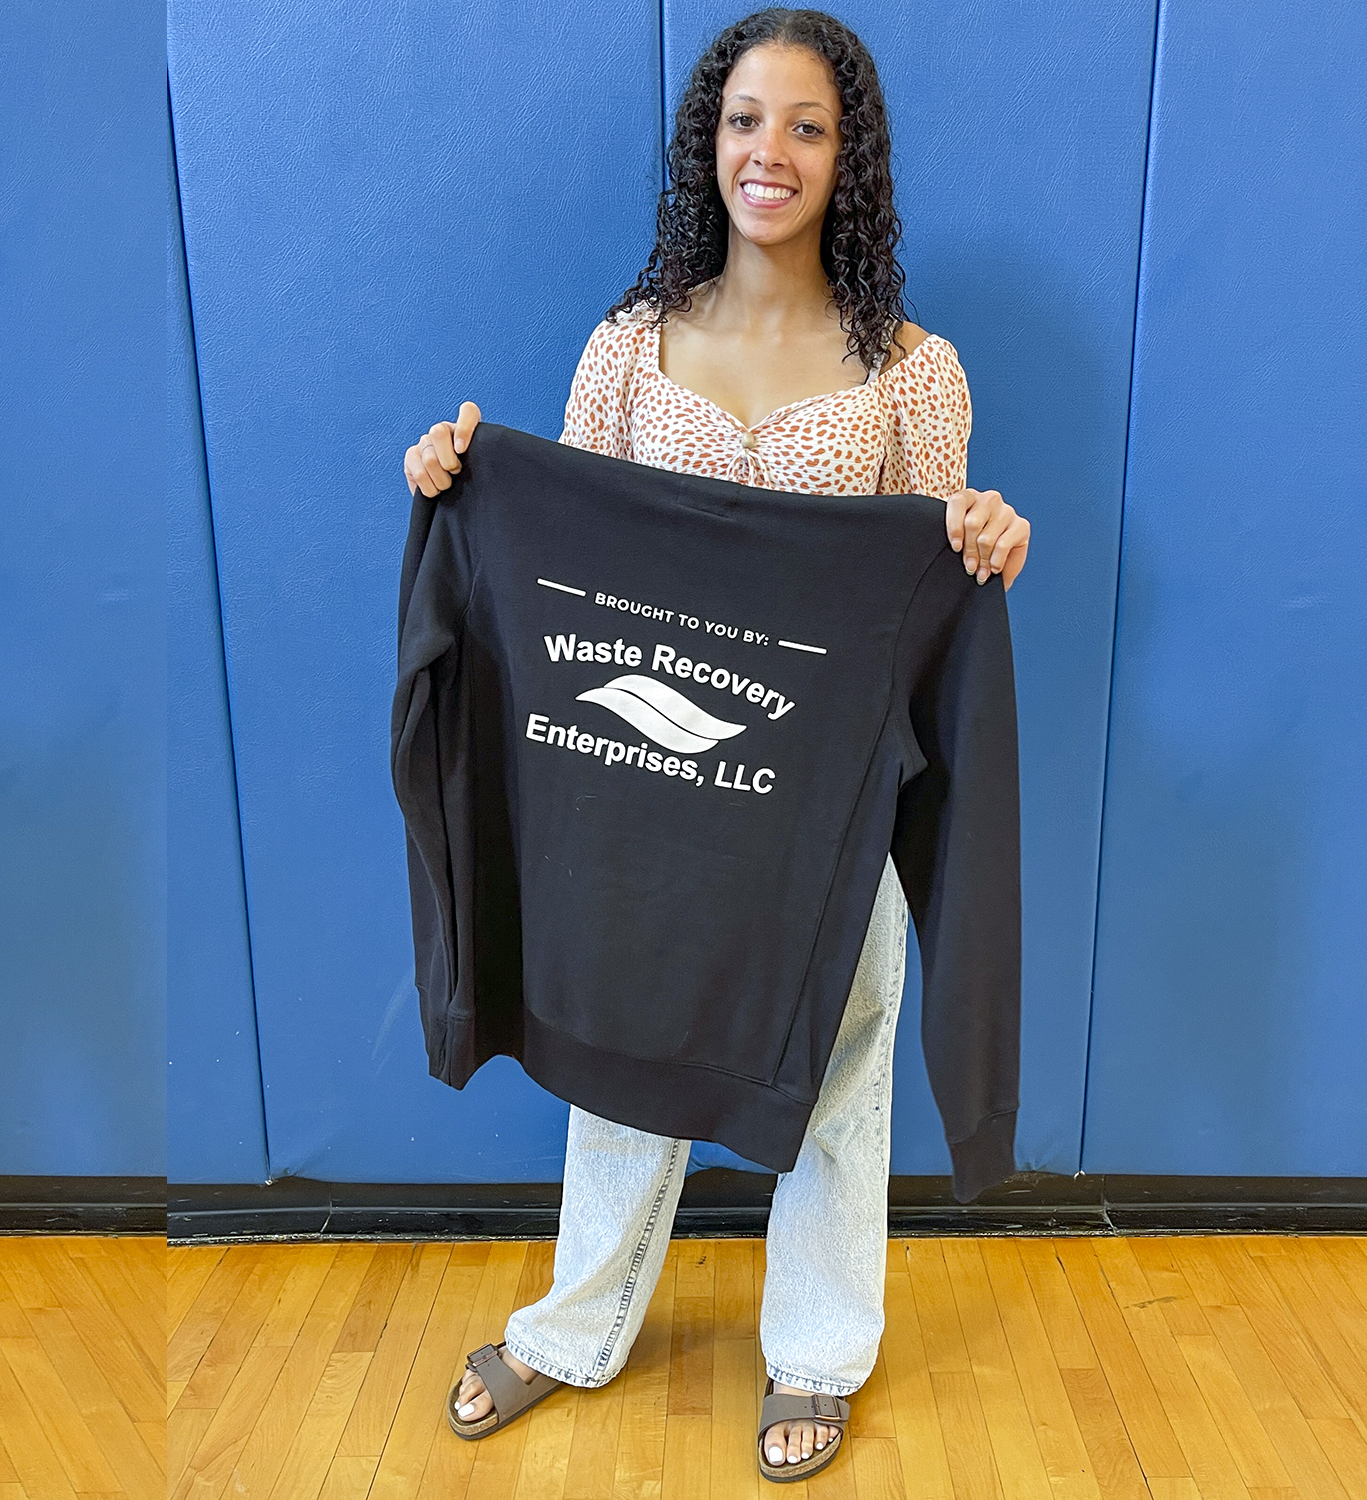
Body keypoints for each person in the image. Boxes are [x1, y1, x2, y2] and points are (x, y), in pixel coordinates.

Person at [403, 8, 1028, 1482]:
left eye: (807, 126)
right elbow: (560, 570)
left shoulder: (915, 373)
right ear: (710, 142)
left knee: (844, 1051)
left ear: (847, 158)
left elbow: (934, 582)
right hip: (654, 792)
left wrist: (993, 539)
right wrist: (459, 485)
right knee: (620, 1052)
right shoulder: (627, 352)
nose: (773, 151)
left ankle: (816, 1353)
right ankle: (573, 1327)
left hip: (824, 807)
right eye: (748, 120)